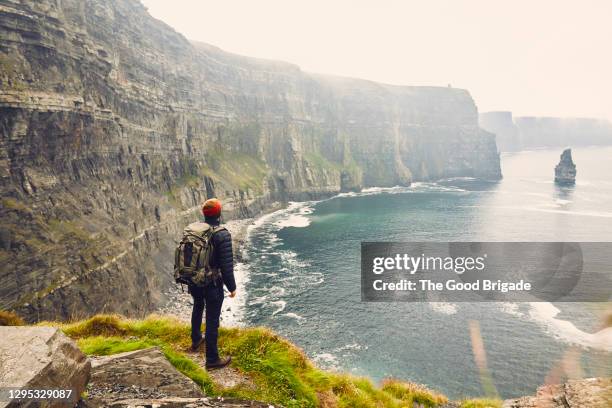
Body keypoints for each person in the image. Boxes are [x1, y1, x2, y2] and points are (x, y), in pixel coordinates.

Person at [189, 197, 236, 369]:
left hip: (194, 280)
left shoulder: (195, 231)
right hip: (212, 283)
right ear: (219, 213)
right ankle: (212, 359)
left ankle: (195, 340)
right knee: (212, 319)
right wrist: (232, 287)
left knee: (197, 306)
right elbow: (227, 265)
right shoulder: (222, 234)